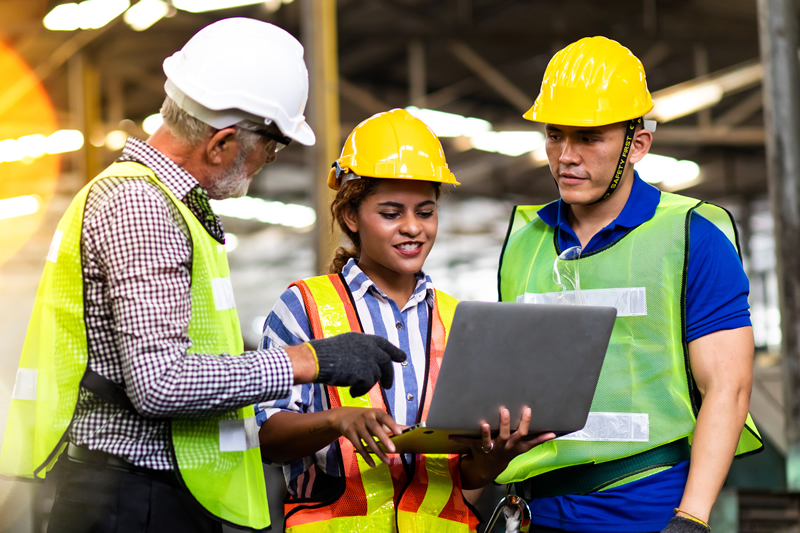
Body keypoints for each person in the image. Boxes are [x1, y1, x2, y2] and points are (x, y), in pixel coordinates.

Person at [0, 18, 406, 533]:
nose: (267, 161)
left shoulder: (163, 203)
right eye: (272, 147)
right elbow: (161, 383)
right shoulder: (142, 208)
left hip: (140, 494)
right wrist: (309, 361)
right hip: (130, 503)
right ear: (222, 143)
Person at [496, 36, 763, 533]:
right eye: (555, 135)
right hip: (533, 511)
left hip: (644, 509)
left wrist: (692, 519)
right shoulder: (523, 241)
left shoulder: (691, 235)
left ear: (637, 144)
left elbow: (728, 386)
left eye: (589, 138)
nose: (565, 156)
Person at [257, 108, 554, 532]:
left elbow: (460, 479)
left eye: (426, 211)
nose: (413, 228)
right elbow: (268, 437)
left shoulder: (459, 321)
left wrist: (494, 459)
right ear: (350, 216)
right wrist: (337, 421)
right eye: (392, 213)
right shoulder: (303, 306)